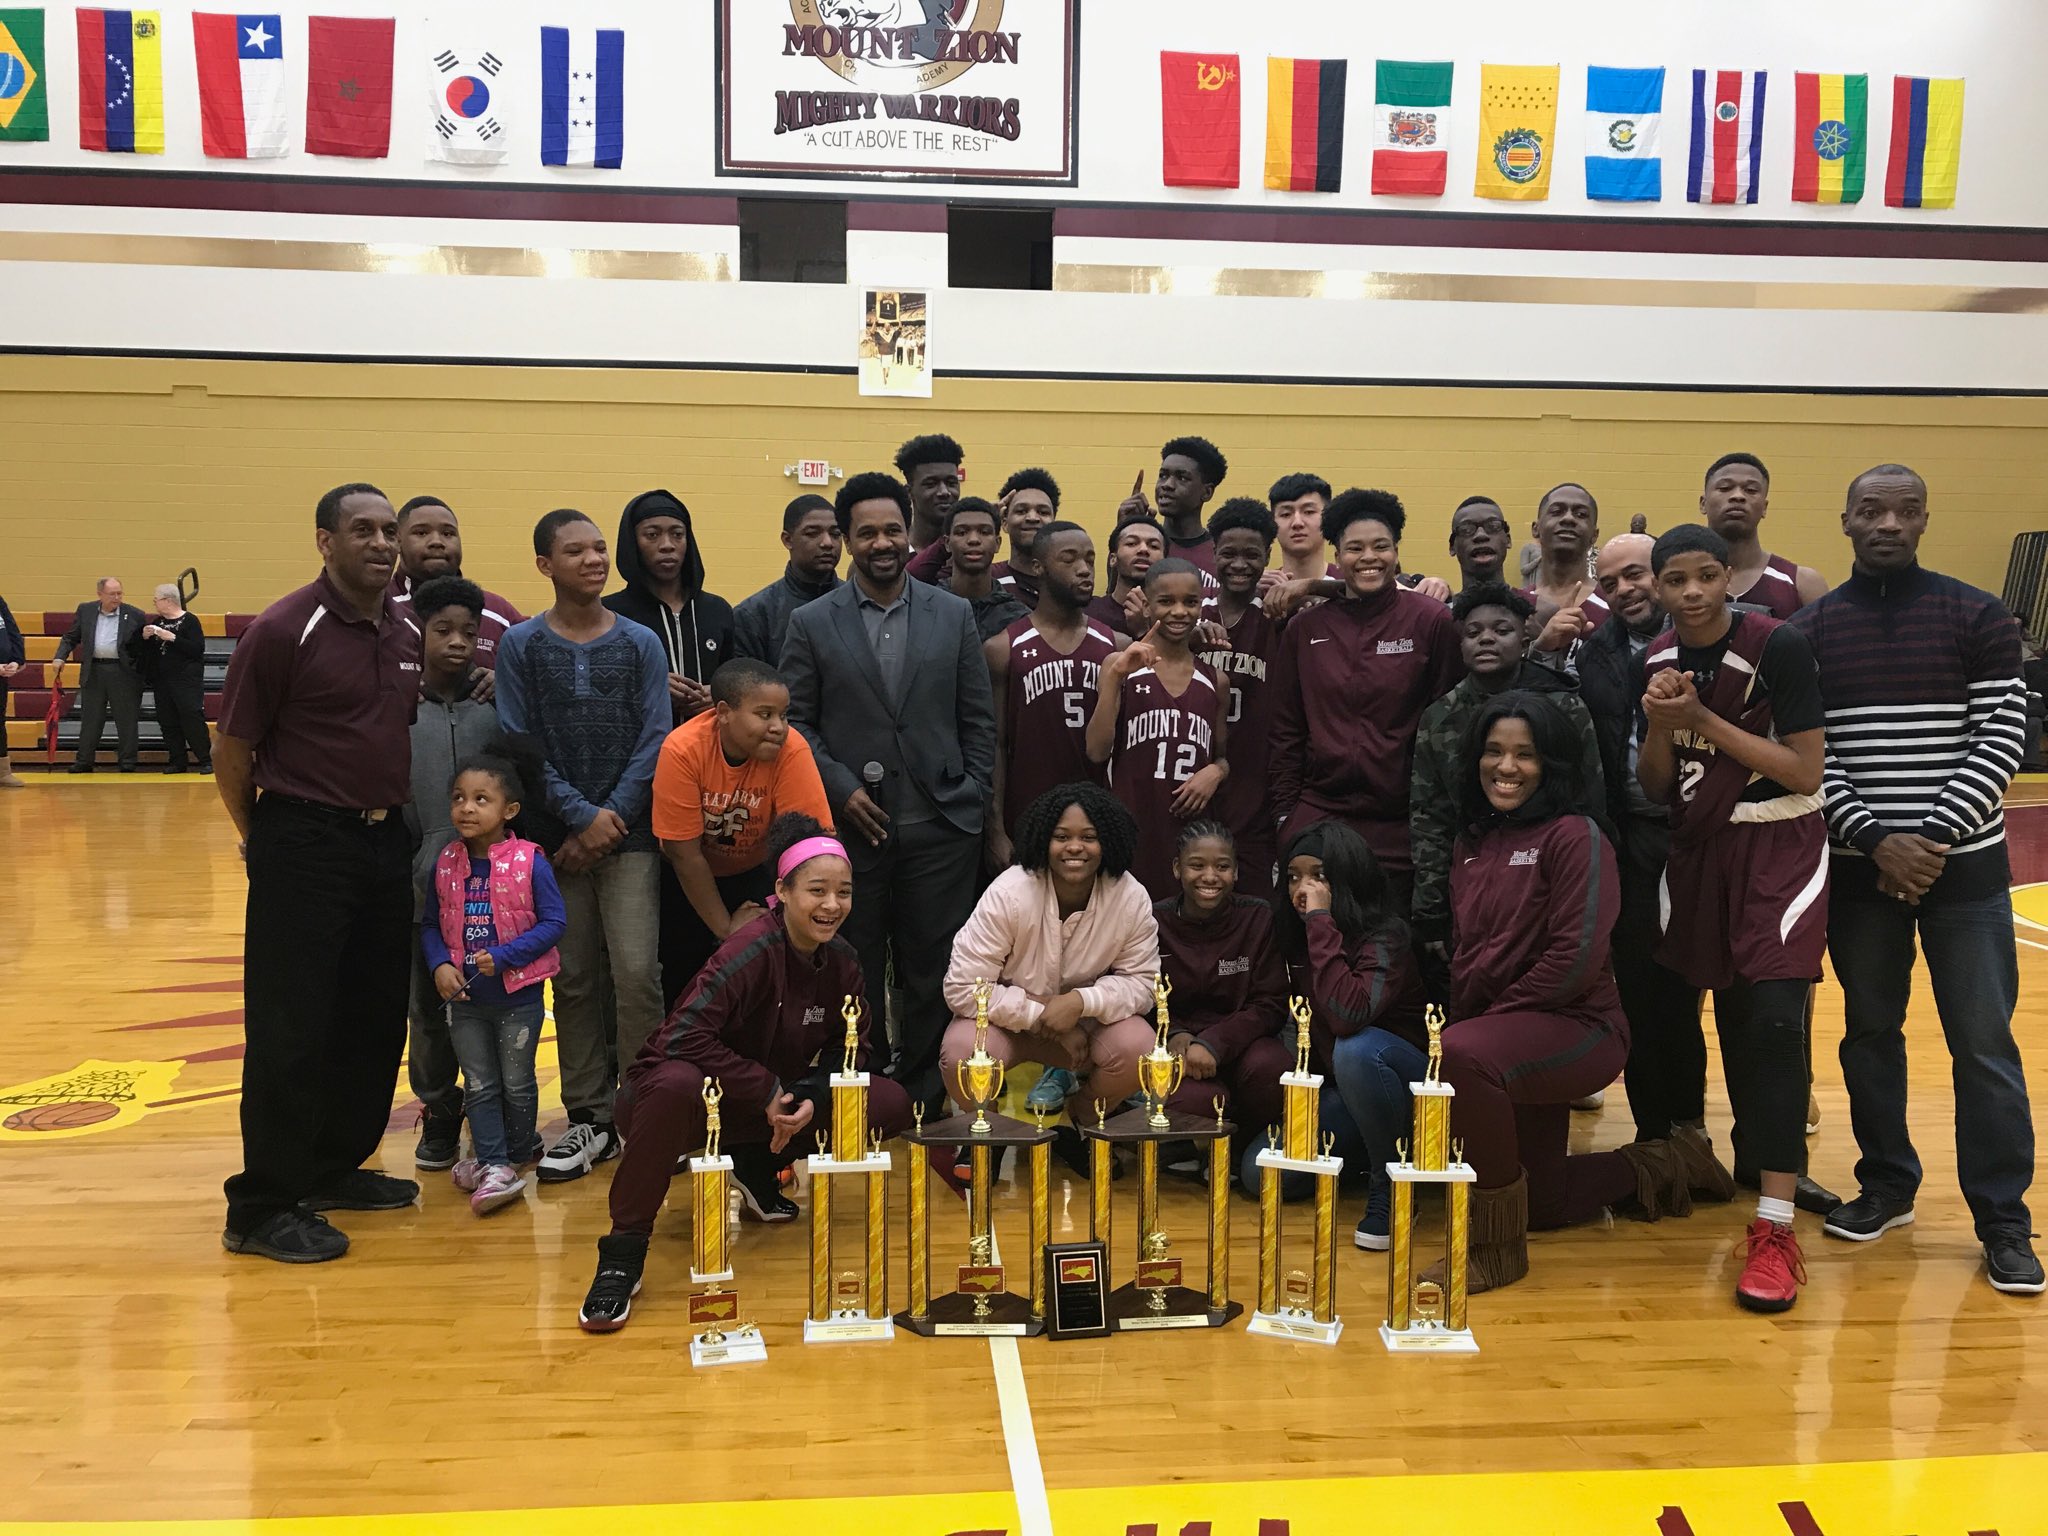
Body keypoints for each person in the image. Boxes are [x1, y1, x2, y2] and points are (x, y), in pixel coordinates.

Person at [1792, 464, 2041, 1294]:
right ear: (1847, 521)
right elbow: (1812, 756)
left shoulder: (1978, 614)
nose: (1888, 523)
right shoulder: (1812, 630)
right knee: (1870, 1034)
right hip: (1862, 874)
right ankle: (1888, 1185)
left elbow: (2002, 737)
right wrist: (1875, 840)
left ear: (1925, 520)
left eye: (1905, 511)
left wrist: (1928, 839)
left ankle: (2003, 1222)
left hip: (1965, 875)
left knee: (1984, 1046)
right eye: (1872, 510)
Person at [578, 816, 913, 1332]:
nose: (832, 904)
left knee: (886, 1101)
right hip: (677, 1106)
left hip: (763, 1107)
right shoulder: (748, 949)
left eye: (843, 892)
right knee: (676, 1082)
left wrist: (809, 1095)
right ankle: (622, 1253)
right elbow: (680, 1037)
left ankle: (756, 1163)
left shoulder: (844, 962)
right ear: (782, 890)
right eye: (817, 890)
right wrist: (766, 1088)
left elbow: (853, 1049)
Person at [1439, 692, 1719, 1292]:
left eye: (1525, 754)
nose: (1506, 766)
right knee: (1543, 1203)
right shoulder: (1471, 842)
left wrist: (1480, 1031)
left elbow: (1574, 961)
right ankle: (1672, 1161)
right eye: (1493, 751)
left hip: (1579, 1029)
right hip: (1505, 1035)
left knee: (1461, 1053)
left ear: (1553, 765)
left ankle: (1495, 1250)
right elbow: (1467, 954)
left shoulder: (1577, 836)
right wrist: (1474, 1024)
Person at [214, 483, 422, 1264]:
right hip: (302, 839)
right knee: (290, 1025)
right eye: (362, 530)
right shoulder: (282, 629)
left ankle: (331, 1166)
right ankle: (261, 1205)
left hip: (383, 838)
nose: (381, 543)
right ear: (325, 542)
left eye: (389, 530)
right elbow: (232, 751)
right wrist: (265, 838)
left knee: (371, 1016)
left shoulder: (404, 626)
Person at [1639, 525, 1830, 1312]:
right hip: (1698, 850)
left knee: (1775, 1023)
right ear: (1657, 588)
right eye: (1675, 579)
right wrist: (1662, 723)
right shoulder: (1655, 659)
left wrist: (1706, 720)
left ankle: (1776, 1227)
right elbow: (1656, 785)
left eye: (1706, 575)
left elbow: (1806, 768)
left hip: (1779, 840)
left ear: (1728, 578)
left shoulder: (1778, 644)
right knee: (1697, 1012)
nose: (1692, 591)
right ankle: (1706, 1158)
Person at [781, 471, 996, 1113]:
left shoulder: (952, 614)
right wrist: (841, 788)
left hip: (941, 824)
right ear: (847, 540)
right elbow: (797, 723)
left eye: (892, 530)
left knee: (935, 967)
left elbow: (977, 719)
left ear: (910, 536)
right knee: (857, 966)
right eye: (867, 532)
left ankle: (925, 1093)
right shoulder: (811, 622)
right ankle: (868, 1092)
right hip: (851, 831)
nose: (882, 543)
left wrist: (973, 792)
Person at [496, 509, 670, 1183]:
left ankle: (644, 1107)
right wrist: (578, 818)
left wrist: (611, 818)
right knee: (571, 980)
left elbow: (655, 738)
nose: (594, 559)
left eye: (599, 548)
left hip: (629, 838)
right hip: (555, 844)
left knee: (637, 974)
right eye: (576, 551)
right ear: (546, 564)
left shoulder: (641, 642)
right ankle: (590, 1115)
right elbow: (520, 743)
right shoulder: (520, 645)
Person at [1579, 534, 1719, 1157]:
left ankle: (1695, 1129)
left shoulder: (1715, 640)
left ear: (1661, 575)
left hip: (1708, 833)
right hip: (1633, 837)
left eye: (1634, 575)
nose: (1624, 590)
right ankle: (1654, 1137)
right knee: (1639, 988)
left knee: (1689, 991)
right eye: (1609, 584)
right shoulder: (1595, 651)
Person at [1270, 488, 1463, 912]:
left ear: (1397, 552)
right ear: (1338, 556)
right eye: (1355, 548)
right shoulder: (1305, 630)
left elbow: (1448, 724)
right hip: (1320, 811)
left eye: (1381, 546)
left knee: (1393, 938)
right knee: (1315, 931)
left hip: (1400, 821)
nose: (1369, 558)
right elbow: (1286, 728)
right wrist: (1287, 816)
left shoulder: (1431, 621)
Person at [1409, 584, 1604, 977]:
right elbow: (1430, 821)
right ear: (1460, 644)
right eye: (1473, 632)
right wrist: (1430, 911)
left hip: (1549, 882)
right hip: (1474, 884)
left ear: (1526, 639)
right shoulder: (1439, 718)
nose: (1486, 639)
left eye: (1502, 630)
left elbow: (1591, 804)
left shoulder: (1564, 707)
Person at [939, 783, 1160, 1126]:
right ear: (1043, 839)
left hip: (1085, 1025)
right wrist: (1043, 1014)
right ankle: (988, 1136)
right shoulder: (1009, 892)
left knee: (1140, 1047)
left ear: (1108, 841)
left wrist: (1081, 1002)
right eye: (1061, 836)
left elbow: (1143, 984)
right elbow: (963, 987)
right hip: (1006, 1024)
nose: (1075, 847)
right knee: (961, 1055)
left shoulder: (1130, 896)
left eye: (1089, 837)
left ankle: (1083, 1123)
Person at [422, 752, 567, 1216]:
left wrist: (505, 956)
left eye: (481, 799)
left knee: (518, 1083)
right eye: (458, 798)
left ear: (510, 810)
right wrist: (439, 965)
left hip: (518, 999)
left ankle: (517, 1150)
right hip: (464, 1001)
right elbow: (430, 924)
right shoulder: (446, 862)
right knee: (480, 1083)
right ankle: (494, 1162)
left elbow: (554, 923)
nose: (466, 808)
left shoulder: (530, 862)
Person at [1269, 819, 1430, 1238]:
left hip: (1407, 1084)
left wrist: (1320, 919)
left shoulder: (1386, 935)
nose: (1302, 888)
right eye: (1293, 877)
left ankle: (1392, 1185)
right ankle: (1369, 1152)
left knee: (1356, 1049)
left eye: (1318, 876)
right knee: (1263, 1173)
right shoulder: (1294, 934)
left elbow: (1348, 1015)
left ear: (1347, 876)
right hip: (1343, 1090)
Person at [651, 657, 833, 1006]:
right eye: (764, 714)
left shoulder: (791, 748)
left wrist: (784, 911)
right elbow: (684, 855)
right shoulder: (682, 749)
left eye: (783, 715)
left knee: (763, 980)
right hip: (687, 875)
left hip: (758, 871)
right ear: (723, 713)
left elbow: (809, 845)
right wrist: (726, 928)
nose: (778, 727)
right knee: (686, 982)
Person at [403, 576, 503, 1171]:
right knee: (426, 1005)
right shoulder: (396, 707)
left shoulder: (495, 706)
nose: (458, 642)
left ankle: (503, 1105)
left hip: (495, 889)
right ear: (419, 633)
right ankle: (440, 1106)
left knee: (496, 999)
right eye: (443, 630)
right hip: (420, 888)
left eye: (469, 632)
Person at [1087, 559, 1229, 899]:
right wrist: (1116, 676)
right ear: (1147, 606)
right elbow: (1096, 751)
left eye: (1190, 602)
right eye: (1166, 601)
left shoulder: (1215, 680)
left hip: (1189, 833)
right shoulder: (1119, 665)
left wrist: (1216, 772)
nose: (1179, 611)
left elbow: (1222, 757)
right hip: (1130, 824)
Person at [986, 521, 1124, 866]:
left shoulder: (1117, 646)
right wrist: (995, 829)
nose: (1084, 569)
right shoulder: (1003, 647)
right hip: (1027, 815)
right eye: (1069, 559)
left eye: (1090, 559)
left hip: (1098, 818)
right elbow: (995, 745)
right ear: (1038, 567)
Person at [1153, 821, 1289, 1152]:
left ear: (1236, 872)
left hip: (1245, 1043)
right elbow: (1144, 995)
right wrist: (1175, 1033)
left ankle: (1243, 1149)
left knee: (1272, 1068)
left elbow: (1270, 1003)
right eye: (1197, 865)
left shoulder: (1257, 917)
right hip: (1184, 1049)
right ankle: (1199, 1152)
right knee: (1192, 1101)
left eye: (1222, 867)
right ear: (1177, 868)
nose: (1210, 876)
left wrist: (1215, 1042)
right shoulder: (1155, 920)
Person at [1200, 497, 1282, 896]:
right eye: (1228, 553)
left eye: (1252, 555)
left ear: (1268, 556)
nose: (1239, 564)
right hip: (1195, 776)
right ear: (1213, 552)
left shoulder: (1277, 617)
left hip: (1252, 783)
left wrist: (1308, 585)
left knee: (1251, 900)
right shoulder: (1191, 614)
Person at [605, 489, 735, 727]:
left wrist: (720, 692)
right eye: (652, 535)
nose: (667, 545)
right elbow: (596, 686)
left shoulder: (717, 610)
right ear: (632, 542)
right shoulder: (610, 614)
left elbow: (741, 677)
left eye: (677, 534)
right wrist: (650, 684)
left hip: (711, 743)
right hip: (642, 745)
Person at [389, 496, 524, 669]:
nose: (437, 542)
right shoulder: (381, 608)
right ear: (397, 541)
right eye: (421, 533)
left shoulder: (499, 613)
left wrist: (504, 679)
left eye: (448, 534)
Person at [1701, 453, 1829, 619]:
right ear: (1703, 503)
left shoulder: (1803, 583)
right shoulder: (1676, 579)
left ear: (1764, 508)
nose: (1738, 496)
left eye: (1751, 490)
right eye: (1725, 488)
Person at [730, 493, 843, 664]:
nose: (827, 543)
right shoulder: (753, 615)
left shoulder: (860, 604)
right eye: (813, 533)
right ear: (787, 540)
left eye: (835, 534)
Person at [53, 577, 147, 773]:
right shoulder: (85, 610)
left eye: (119, 593)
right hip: (94, 670)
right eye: (112, 594)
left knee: (126, 719)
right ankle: (84, 761)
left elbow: (142, 647)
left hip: (122, 672)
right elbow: (71, 637)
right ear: (100, 594)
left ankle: (128, 761)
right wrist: (60, 657)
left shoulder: (135, 614)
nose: (116, 598)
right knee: (91, 719)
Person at [1114, 436, 1228, 579]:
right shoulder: (1143, 549)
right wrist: (1124, 530)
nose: (1167, 484)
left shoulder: (1219, 553)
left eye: (1182, 478)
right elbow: (1114, 590)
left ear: (1207, 492)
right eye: (1163, 475)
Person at [1524, 483, 1609, 662]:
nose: (1569, 518)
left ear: (1594, 535)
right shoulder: (1516, 606)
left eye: (1581, 514)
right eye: (1556, 511)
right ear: (1535, 529)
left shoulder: (1612, 605)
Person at [136, 583, 211, 774]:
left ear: (168, 601)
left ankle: (205, 759)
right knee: (167, 721)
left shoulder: (190, 621)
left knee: (191, 718)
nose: (154, 603)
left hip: (186, 680)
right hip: (162, 680)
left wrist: (173, 638)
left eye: (156, 600)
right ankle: (178, 760)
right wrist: (144, 638)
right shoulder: (157, 622)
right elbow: (147, 652)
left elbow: (197, 649)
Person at [938, 496, 1031, 641]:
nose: (973, 540)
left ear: (998, 543)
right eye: (962, 532)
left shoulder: (1018, 618)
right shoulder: (926, 607)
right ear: (947, 543)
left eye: (984, 532)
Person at [1087, 513, 1166, 637]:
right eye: (1132, 543)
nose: (1143, 549)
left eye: (1154, 546)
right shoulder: (1087, 612)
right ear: (1113, 559)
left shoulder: (1172, 617)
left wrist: (1142, 631)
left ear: (1165, 560)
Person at [991, 467, 1060, 606]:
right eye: (1021, 511)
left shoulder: (1064, 584)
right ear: (1004, 522)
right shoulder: (988, 580)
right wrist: (984, 519)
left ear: (1054, 522)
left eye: (1043, 512)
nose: (1032, 518)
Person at [896, 432, 965, 553]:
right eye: (931, 484)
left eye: (951, 483)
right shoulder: (894, 553)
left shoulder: (969, 552)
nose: (944, 492)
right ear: (909, 492)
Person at [1447, 496, 1513, 593]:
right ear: (1452, 546)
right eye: (1466, 529)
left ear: (1508, 540)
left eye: (1493, 526)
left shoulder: (1532, 602)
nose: (1481, 535)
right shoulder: (1437, 603)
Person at [0, 592, 22, 788]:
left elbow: (12, 630)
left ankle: (3, 772)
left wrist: (16, 660)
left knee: (0, 721)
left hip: (2, 674)